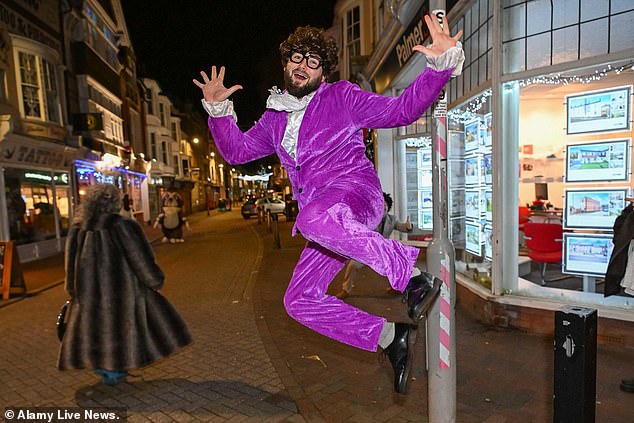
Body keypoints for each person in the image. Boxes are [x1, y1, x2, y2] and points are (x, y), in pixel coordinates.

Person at [193, 14, 463, 394]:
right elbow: (236, 152)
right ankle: (391, 337)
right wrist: (219, 112)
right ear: (285, 63)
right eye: (297, 58)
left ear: (323, 71)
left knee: (312, 219)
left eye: (313, 61)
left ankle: (411, 276)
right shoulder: (274, 118)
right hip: (328, 224)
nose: (303, 66)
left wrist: (439, 67)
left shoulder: (342, 97)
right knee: (298, 300)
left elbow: (401, 110)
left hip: (356, 196)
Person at [57, 184, 192, 385]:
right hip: (121, 293)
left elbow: (70, 265)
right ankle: (114, 370)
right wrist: (154, 280)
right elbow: (139, 258)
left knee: (96, 330)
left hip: (88, 294)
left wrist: (72, 289)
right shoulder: (123, 225)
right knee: (121, 330)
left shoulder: (78, 228)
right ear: (114, 202)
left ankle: (104, 368)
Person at [336, 192, 413, 300]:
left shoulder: (392, 220)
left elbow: (402, 227)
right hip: (367, 251)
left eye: (386, 205)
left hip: (382, 251)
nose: (384, 207)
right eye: (382, 205)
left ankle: (396, 288)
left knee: (395, 265)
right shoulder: (369, 219)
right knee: (353, 265)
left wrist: (408, 227)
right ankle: (345, 289)